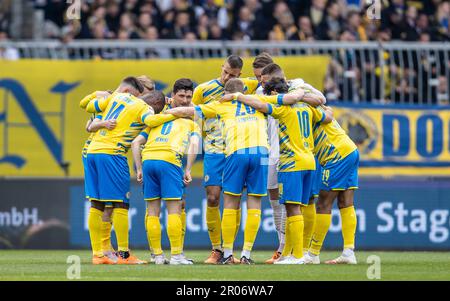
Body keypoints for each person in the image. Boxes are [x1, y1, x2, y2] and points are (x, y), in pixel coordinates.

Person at [82, 76, 175, 264]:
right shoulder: (144, 108)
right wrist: (176, 114)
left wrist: (97, 96)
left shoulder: (116, 97)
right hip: (112, 154)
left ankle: (98, 255)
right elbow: (151, 120)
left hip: (92, 151)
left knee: (97, 204)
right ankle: (124, 255)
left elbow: (88, 105)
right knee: (121, 204)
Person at [192, 55, 259, 264]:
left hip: (236, 149)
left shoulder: (246, 85)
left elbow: (270, 81)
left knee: (234, 199)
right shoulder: (203, 89)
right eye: (225, 72)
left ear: (240, 75)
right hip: (214, 150)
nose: (227, 77)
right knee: (213, 197)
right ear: (222, 67)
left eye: (232, 75)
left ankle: (230, 250)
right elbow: (194, 115)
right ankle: (216, 249)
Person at [132, 79, 200, 265]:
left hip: (148, 162)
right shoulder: (192, 123)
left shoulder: (157, 119)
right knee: (174, 210)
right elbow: (194, 145)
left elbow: (136, 142)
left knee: (152, 211)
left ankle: (158, 256)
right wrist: (187, 169)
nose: (186, 100)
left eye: (188, 97)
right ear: (173, 95)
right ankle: (177, 256)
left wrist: (139, 168)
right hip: (169, 161)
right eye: (182, 96)